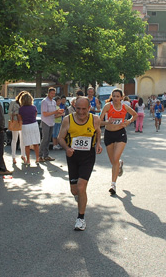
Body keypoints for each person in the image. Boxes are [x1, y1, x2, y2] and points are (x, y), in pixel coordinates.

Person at [58, 96, 102, 231]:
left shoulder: (95, 119)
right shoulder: (68, 120)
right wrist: (67, 148)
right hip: (72, 155)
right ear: (74, 107)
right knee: (74, 190)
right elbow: (60, 138)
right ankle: (80, 198)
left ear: (89, 108)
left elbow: (98, 131)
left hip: (88, 156)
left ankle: (81, 218)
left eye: (84, 109)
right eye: (78, 109)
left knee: (81, 186)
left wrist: (98, 143)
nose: (81, 112)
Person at [99, 89, 137, 195]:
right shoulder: (107, 106)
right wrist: (107, 122)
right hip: (109, 134)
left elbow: (135, 115)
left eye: (117, 96)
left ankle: (113, 185)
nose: (115, 98)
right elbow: (99, 121)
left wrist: (128, 122)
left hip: (120, 134)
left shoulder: (124, 106)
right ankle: (119, 164)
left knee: (115, 158)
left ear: (121, 97)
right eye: (114, 96)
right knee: (113, 162)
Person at [40, 88, 63, 162]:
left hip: (51, 122)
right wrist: (54, 112)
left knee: (48, 139)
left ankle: (46, 155)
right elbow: (44, 113)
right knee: (45, 139)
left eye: (54, 93)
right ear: (48, 93)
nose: (53, 95)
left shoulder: (53, 102)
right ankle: (40, 155)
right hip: (45, 122)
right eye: (52, 93)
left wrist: (59, 112)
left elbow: (54, 112)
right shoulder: (44, 101)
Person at [18, 92, 40, 164]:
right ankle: (37, 158)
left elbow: (20, 119)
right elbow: (35, 116)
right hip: (33, 124)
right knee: (35, 143)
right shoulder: (34, 107)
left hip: (25, 125)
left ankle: (28, 160)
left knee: (27, 144)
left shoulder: (21, 109)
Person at [8, 91, 27, 164]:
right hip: (15, 122)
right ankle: (13, 157)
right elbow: (9, 112)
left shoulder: (24, 104)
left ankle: (23, 155)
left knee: (23, 139)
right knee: (14, 139)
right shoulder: (13, 102)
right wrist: (16, 114)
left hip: (22, 122)